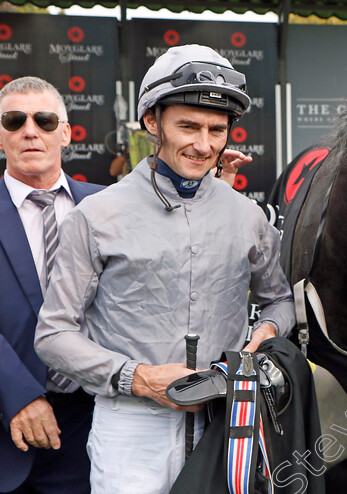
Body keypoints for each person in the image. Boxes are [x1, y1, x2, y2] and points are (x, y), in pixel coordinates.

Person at [34, 45, 295, 493]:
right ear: (152, 122)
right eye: (188, 126)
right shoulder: (96, 215)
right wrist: (139, 378)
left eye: (217, 129)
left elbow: (280, 300)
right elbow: (53, 336)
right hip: (131, 430)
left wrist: (269, 331)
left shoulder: (247, 216)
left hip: (226, 422)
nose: (204, 144)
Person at [0, 76, 102, 494]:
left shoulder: (106, 206)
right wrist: (19, 396)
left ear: (65, 133)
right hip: (7, 420)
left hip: (93, 424)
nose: (29, 131)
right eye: (13, 120)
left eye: (44, 120)